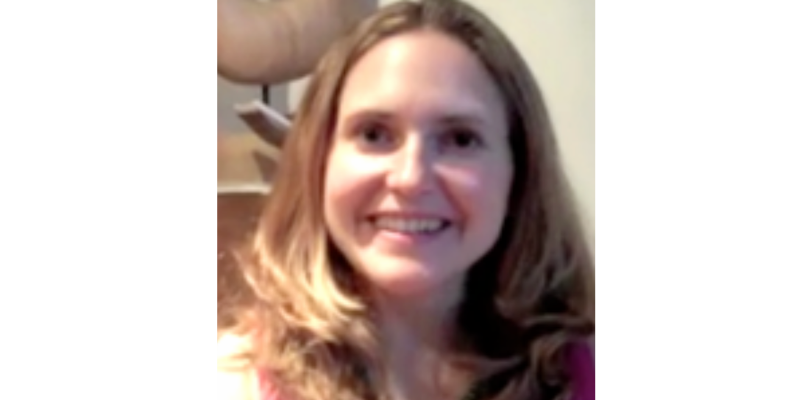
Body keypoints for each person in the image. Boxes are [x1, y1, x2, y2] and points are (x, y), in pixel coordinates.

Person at [217, 1, 597, 399]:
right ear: (319, 160)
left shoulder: (576, 373)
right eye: (374, 134)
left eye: (460, 139)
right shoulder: (236, 385)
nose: (411, 178)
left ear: (518, 171)